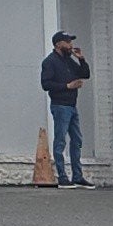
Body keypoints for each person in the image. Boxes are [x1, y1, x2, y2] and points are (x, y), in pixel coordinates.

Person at [40, 31, 92, 185]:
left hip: (72, 105)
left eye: (71, 42)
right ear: (58, 44)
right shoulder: (50, 62)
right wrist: (67, 86)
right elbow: (46, 84)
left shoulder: (69, 61)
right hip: (60, 105)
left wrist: (81, 59)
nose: (71, 45)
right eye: (67, 42)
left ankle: (77, 176)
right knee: (60, 140)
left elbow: (85, 74)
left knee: (76, 140)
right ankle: (62, 176)